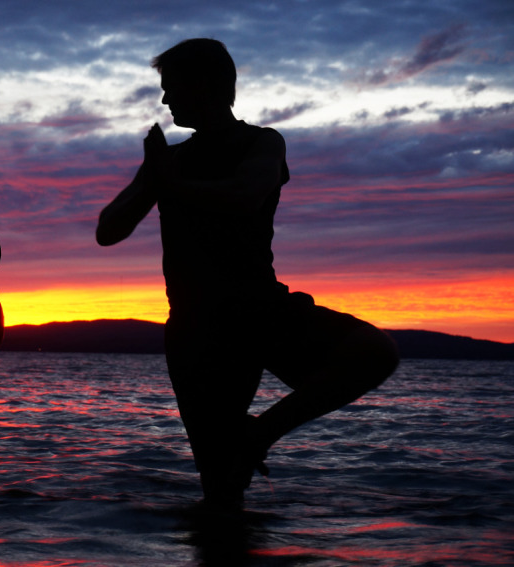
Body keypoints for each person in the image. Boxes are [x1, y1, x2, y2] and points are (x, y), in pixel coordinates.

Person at [96, 38, 399, 509]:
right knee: (220, 482)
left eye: (171, 86)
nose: (165, 99)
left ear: (208, 86)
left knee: (374, 352)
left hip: (259, 307)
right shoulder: (169, 160)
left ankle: (261, 432)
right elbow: (108, 230)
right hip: (195, 327)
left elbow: (245, 196)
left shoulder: (262, 141)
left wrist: (170, 183)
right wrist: (154, 180)